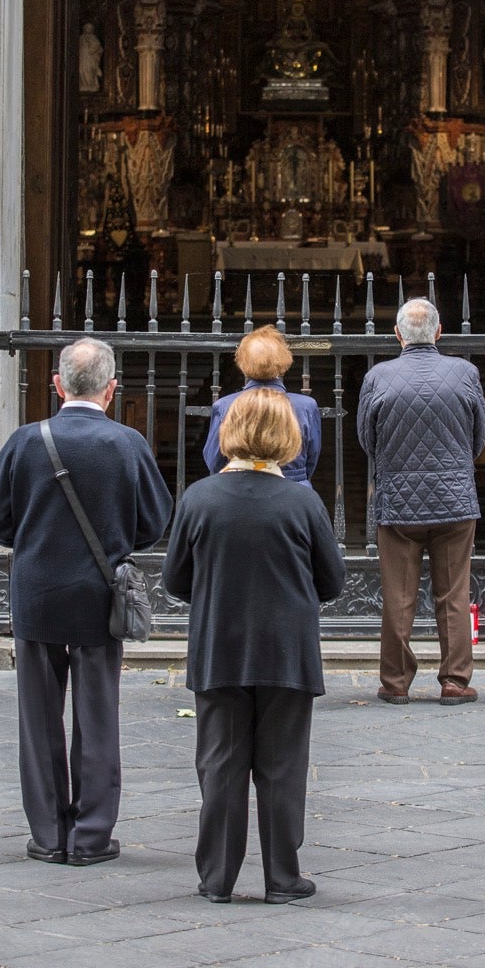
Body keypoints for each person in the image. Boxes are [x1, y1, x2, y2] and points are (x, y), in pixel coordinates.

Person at [0, 338, 172, 866]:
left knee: (38, 718)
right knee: (97, 715)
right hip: (98, 596)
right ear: (111, 390)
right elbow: (154, 522)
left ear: (57, 385)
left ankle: (48, 833)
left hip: (38, 593)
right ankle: (90, 836)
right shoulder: (127, 444)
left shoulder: (24, 442)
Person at [162, 388, 346, 904]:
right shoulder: (302, 501)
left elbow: (175, 581)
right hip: (287, 651)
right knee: (283, 766)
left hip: (219, 646)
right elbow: (331, 582)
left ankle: (217, 877)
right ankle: (283, 877)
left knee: (220, 763)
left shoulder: (199, 498)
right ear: (288, 436)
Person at [357, 297, 485, 705]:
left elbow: (367, 439)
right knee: (453, 594)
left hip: (398, 503)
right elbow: (479, 433)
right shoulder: (465, 373)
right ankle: (454, 679)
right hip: (455, 501)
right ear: (438, 332)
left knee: (398, 596)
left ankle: (395, 682)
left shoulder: (379, 376)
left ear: (397, 335)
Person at [202, 325, 321, 486]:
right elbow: (311, 457)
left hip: (238, 488)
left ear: (243, 362)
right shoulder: (306, 405)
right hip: (294, 486)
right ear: (284, 360)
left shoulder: (225, 405)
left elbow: (215, 461)